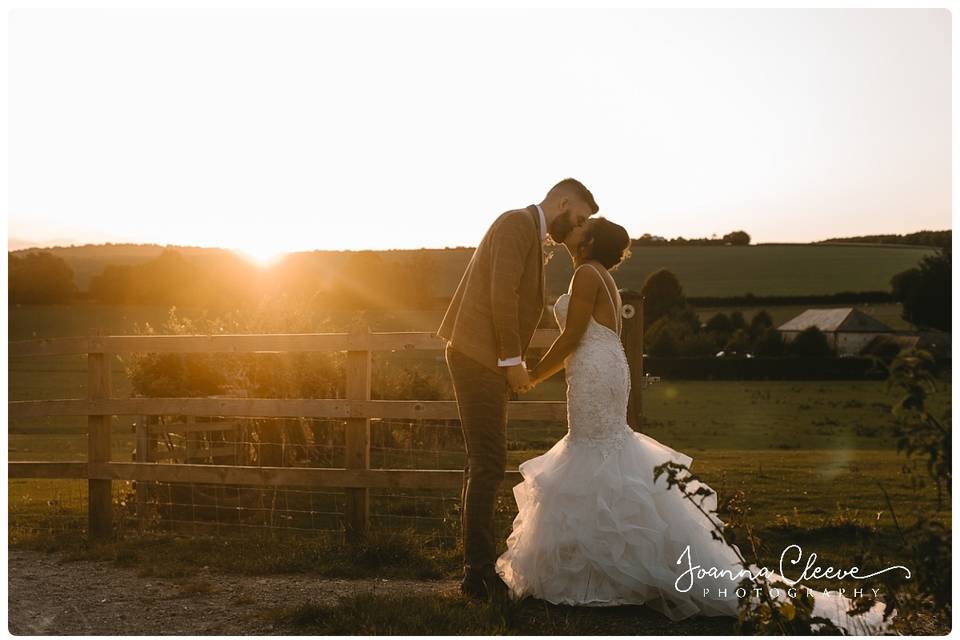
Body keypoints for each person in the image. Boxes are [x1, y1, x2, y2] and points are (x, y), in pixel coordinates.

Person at [494, 217, 893, 634]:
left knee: (593, 449)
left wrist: (532, 375)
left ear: (589, 239)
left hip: (595, 368)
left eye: (580, 226)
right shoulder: (603, 277)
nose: (572, 228)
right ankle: (607, 572)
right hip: (606, 366)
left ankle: (603, 576)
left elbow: (574, 334)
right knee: (604, 449)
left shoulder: (585, 274)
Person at [436, 178, 598, 600]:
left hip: (484, 357)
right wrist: (512, 362)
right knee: (488, 461)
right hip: (478, 356)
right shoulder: (515, 224)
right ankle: (477, 575)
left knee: (484, 461)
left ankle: (476, 570)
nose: (579, 229)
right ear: (563, 202)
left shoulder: (529, 231)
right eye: (579, 218)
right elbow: (500, 295)